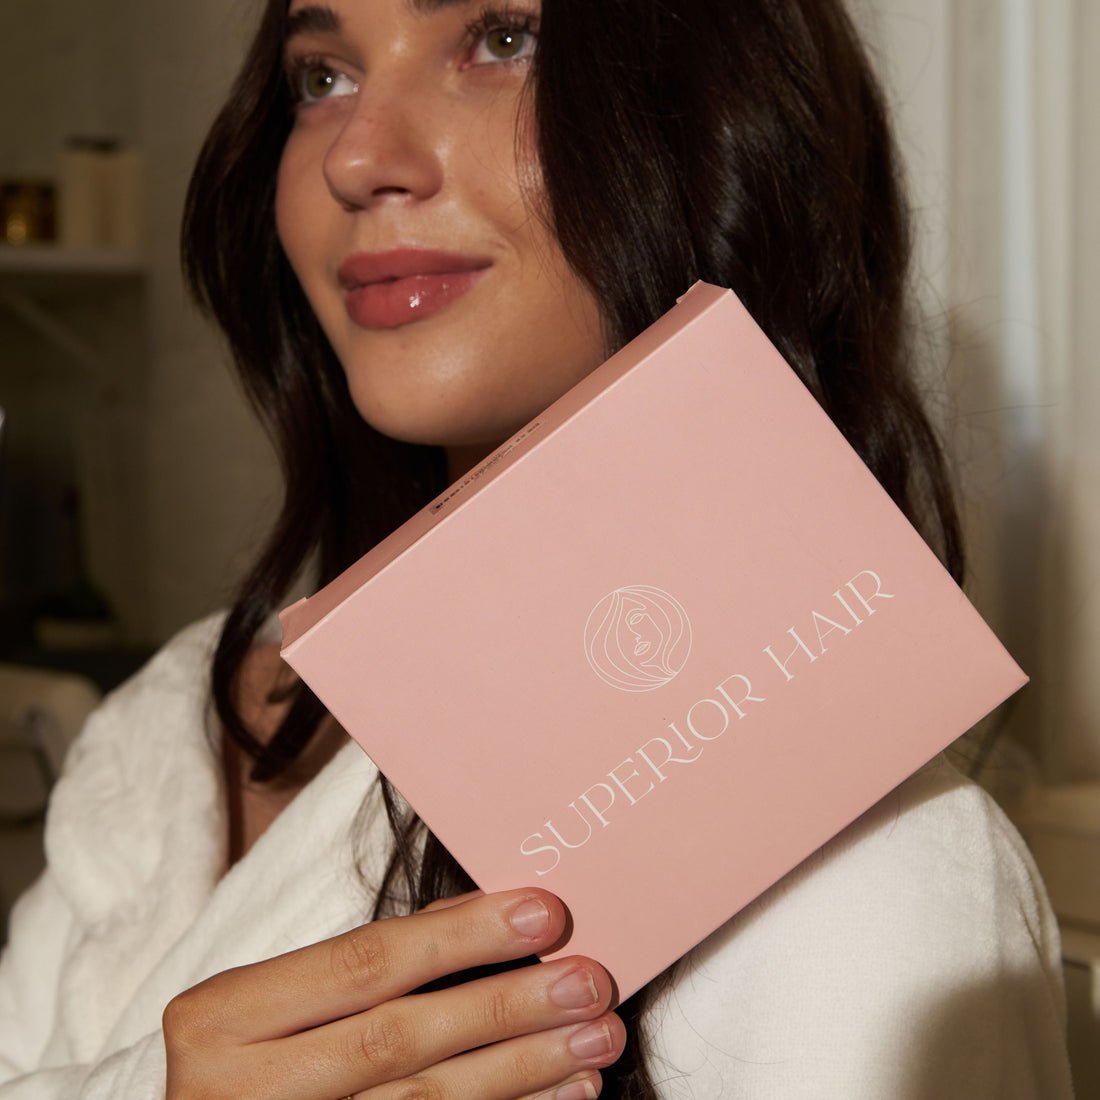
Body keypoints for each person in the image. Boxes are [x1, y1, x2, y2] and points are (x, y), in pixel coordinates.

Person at [0, 0, 1075, 1096]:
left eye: (503, 40)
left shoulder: (871, 880)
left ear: (725, 117)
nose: (356, 158)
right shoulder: (176, 726)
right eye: (321, 76)